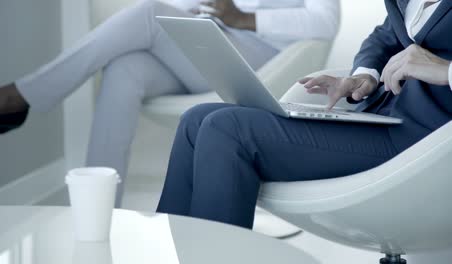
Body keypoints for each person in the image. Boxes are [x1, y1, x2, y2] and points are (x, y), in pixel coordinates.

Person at [0, 0, 340, 207]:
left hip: (268, 62)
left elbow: (325, 21)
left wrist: (244, 18)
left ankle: (21, 96)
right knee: (124, 70)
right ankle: (99, 215)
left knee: (146, 13)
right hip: (209, 45)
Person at [156, 0, 452, 229]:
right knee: (195, 120)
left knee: (226, 128)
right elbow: (385, 36)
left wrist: (444, 70)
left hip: (426, 141)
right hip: (383, 115)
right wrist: (364, 76)